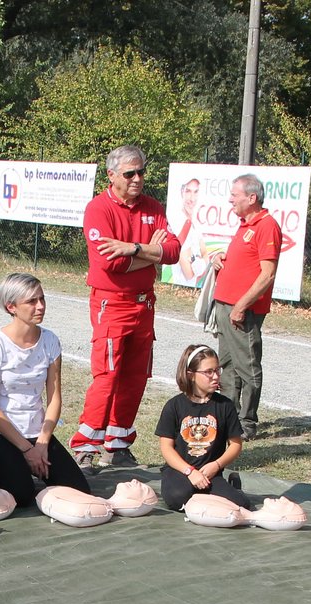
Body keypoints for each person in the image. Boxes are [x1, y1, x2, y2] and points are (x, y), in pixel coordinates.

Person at [69, 145, 181, 468]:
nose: (137, 179)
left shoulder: (152, 207)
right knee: (108, 374)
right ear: (112, 175)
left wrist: (133, 248)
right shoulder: (98, 209)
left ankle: (118, 444)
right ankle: (86, 446)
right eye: (130, 173)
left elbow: (172, 252)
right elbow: (110, 265)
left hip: (144, 305)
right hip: (111, 303)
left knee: (136, 376)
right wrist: (150, 255)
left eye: (141, 172)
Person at [0, 272, 89, 507]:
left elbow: (55, 397)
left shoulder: (50, 341)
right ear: (11, 307)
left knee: (78, 490)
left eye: (42, 299)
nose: (40, 306)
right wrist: (27, 450)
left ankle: (30, 469)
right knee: (21, 494)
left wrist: (42, 443)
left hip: (37, 433)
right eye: (32, 301)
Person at [207, 173, 283, 440]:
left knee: (247, 366)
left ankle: (247, 422)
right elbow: (244, 262)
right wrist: (220, 259)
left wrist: (241, 305)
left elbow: (267, 274)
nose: (230, 199)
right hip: (226, 306)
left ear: (252, 198)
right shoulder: (245, 225)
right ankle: (230, 417)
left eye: (235, 195)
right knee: (227, 365)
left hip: (243, 310)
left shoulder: (267, 225)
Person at [154, 344, 257, 512]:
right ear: (191, 375)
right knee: (178, 499)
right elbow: (166, 447)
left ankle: (231, 487)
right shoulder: (174, 406)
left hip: (210, 473)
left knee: (240, 505)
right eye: (208, 372)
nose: (215, 376)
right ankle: (202, 496)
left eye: (217, 370)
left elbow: (236, 445)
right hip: (180, 470)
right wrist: (189, 471)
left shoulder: (225, 406)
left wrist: (216, 465)